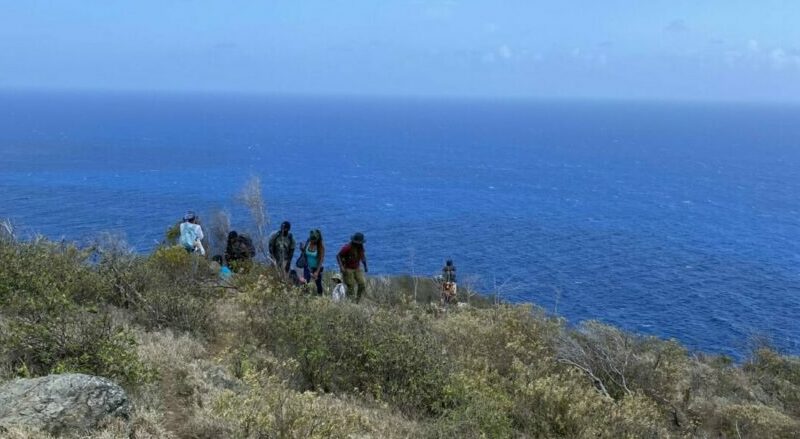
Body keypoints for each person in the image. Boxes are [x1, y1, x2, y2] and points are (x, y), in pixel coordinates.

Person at [337, 232, 368, 302]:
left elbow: (363, 257)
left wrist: (365, 266)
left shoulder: (361, 247)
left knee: (362, 284)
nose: (360, 243)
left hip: (357, 268)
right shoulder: (347, 247)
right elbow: (338, 255)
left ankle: (357, 300)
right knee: (351, 286)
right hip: (348, 269)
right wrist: (341, 267)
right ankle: (351, 302)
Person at [301, 229, 325, 295]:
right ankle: (305, 296)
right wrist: (302, 249)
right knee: (305, 283)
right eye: (312, 239)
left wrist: (317, 272)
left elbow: (321, 260)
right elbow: (305, 254)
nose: (312, 240)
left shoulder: (321, 246)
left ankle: (320, 297)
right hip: (307, 267)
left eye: (314, 239)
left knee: (318, 284)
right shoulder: (308, 242)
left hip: (317, 268)